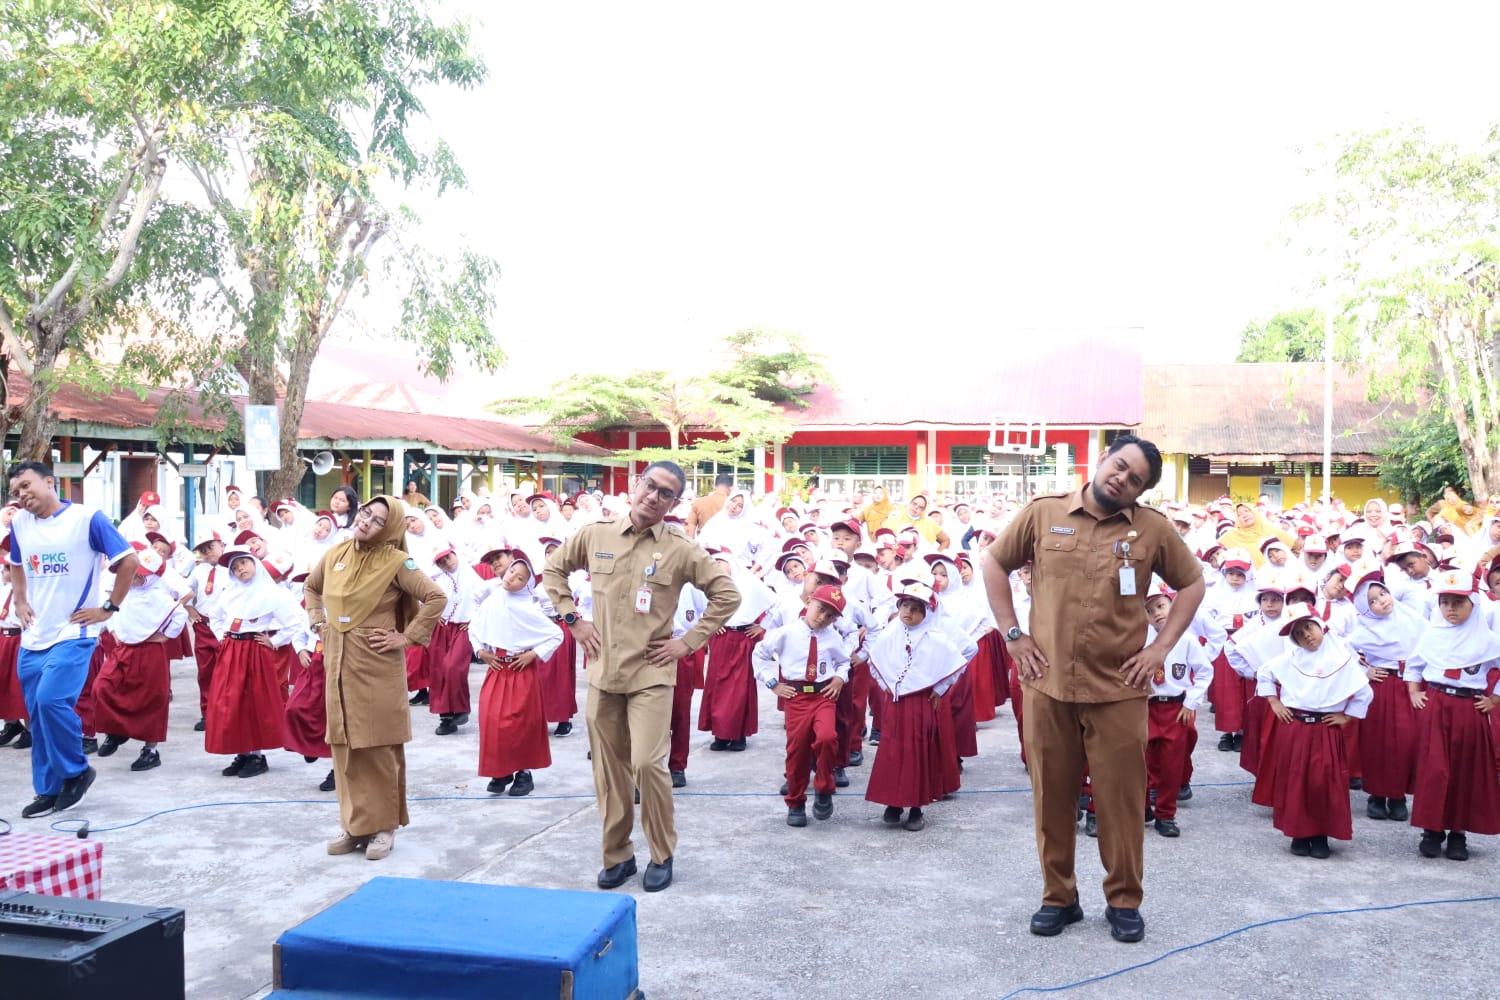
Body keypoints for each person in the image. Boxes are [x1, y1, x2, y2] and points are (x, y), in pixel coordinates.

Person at [980, 435, 1204, 944]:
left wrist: (1159, 649)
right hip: (1047, 683)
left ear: (1139, 492)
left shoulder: (1153, 530)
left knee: (1121, 802)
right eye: (1120, 466)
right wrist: (1013, 634)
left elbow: (1192, 584)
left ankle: (1123, 900)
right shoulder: (1043, 514)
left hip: (1119, 690)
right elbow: (994, 563)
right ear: (1104, 459)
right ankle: (1058, 897)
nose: (1122, 478)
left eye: (1135, 479)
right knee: (1051, 798)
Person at [541, 461, 740, 894]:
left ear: (674, 503)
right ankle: (618, 855)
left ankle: (661, 853)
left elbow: (727, 595)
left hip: (651, 673)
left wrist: (687, 643)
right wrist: (573, 619)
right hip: (603, 672)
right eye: (650, 485)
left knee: (649, 764)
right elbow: (553, 570)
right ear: (637, 485)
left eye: (665, 493)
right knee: (609, 772)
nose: (654, 496)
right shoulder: (596, 534)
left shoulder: (681, 548)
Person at [303, 496, 446, 862]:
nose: (366, 522)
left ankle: (383, 827)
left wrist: (408, 636)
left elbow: (435, 597)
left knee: (378, 746)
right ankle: (355, 825)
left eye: (378, 520)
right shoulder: (335, 554)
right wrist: (317, 620)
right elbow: (311, 587)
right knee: (345, 745)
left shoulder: (397, 561)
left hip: (377, 665)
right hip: (337, 662)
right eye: (366, 513)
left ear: (392, 530)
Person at [7, 462, 139, 819]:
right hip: (35, 634)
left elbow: (129, 561)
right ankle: (48, 790)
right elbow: (16, 563)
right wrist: (19, 599)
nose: (22, 495)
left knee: (51, 701)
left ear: (49, 481)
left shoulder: (87, 518)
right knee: (36, 715)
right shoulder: (19, 523)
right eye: (16, 491)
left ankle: (77, 771)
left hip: (75, 631)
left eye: (27, 485)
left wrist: (109, 607)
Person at [1258, 604, 1372, 859]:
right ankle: (1299, 833)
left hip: (1325, 729)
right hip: (1296, 727)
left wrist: (1347, 716)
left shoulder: (1341, 658)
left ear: (1320, 625)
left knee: (1323, 782)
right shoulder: (1290, 660)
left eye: (1309, 627)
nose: (1306, 635)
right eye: (1298, 634)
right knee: (1296, 780)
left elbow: (1365, 692)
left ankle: (1320, 834)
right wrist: (1274, 702)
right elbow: (1264, 674)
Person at [1404, 569, 1500, 861]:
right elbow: (1414, 665)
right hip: (1437, 706)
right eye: (1445, 602)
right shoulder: (1432, 635)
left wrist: (1495, 699)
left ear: (1474, 602)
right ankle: (1432, 830)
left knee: (1464, 771)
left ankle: (1458, 833)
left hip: (1468, 709)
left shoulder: (1488, 640)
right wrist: (1414, 691)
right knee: (1435, 770)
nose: (1450, 609)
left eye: (1458, 603)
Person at [753, 584, 851, 827]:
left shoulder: (833, 637)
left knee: (828, 738)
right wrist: (773, 683)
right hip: (796, 697)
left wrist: (839, 678)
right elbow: (759, 654)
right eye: (820, 609)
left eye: (830, 616)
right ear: (808, 602)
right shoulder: (786, 633)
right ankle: (795, 802)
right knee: (797, 752)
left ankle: (824, 787)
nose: (822, 618)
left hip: (823, 696)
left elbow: (843, 662)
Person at [471, 549, 561, 797]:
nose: (512, 578)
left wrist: (533, 654)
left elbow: (557, 634)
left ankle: (523, 772)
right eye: (512, 571)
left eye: (520, 578)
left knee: (520, 724)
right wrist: (481, 652)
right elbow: (474, 628)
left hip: (521, 671)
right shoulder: (492, 600)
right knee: (492, 721)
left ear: (527, 584)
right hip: (497, 668)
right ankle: (501, 770)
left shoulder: (529, 608)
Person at [93, 543, 188, 772]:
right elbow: (110, 611)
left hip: (149, 652)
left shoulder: (159, 596)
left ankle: (150, 750)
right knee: (103, 687)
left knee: (151, 700)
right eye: (132, 574)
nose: (134, 578)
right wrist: (112, 629)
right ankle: (116, 731)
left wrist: (164, 636)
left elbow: (180, 613)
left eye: (140, 575)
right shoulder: (123, 592)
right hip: (122, 648)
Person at [686, 473, 733, 539]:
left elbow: (690, 531)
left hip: (703, 545)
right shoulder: (732, 506)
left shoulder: (699, 502)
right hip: (725, 545)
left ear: (715, 487)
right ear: (730, 488)